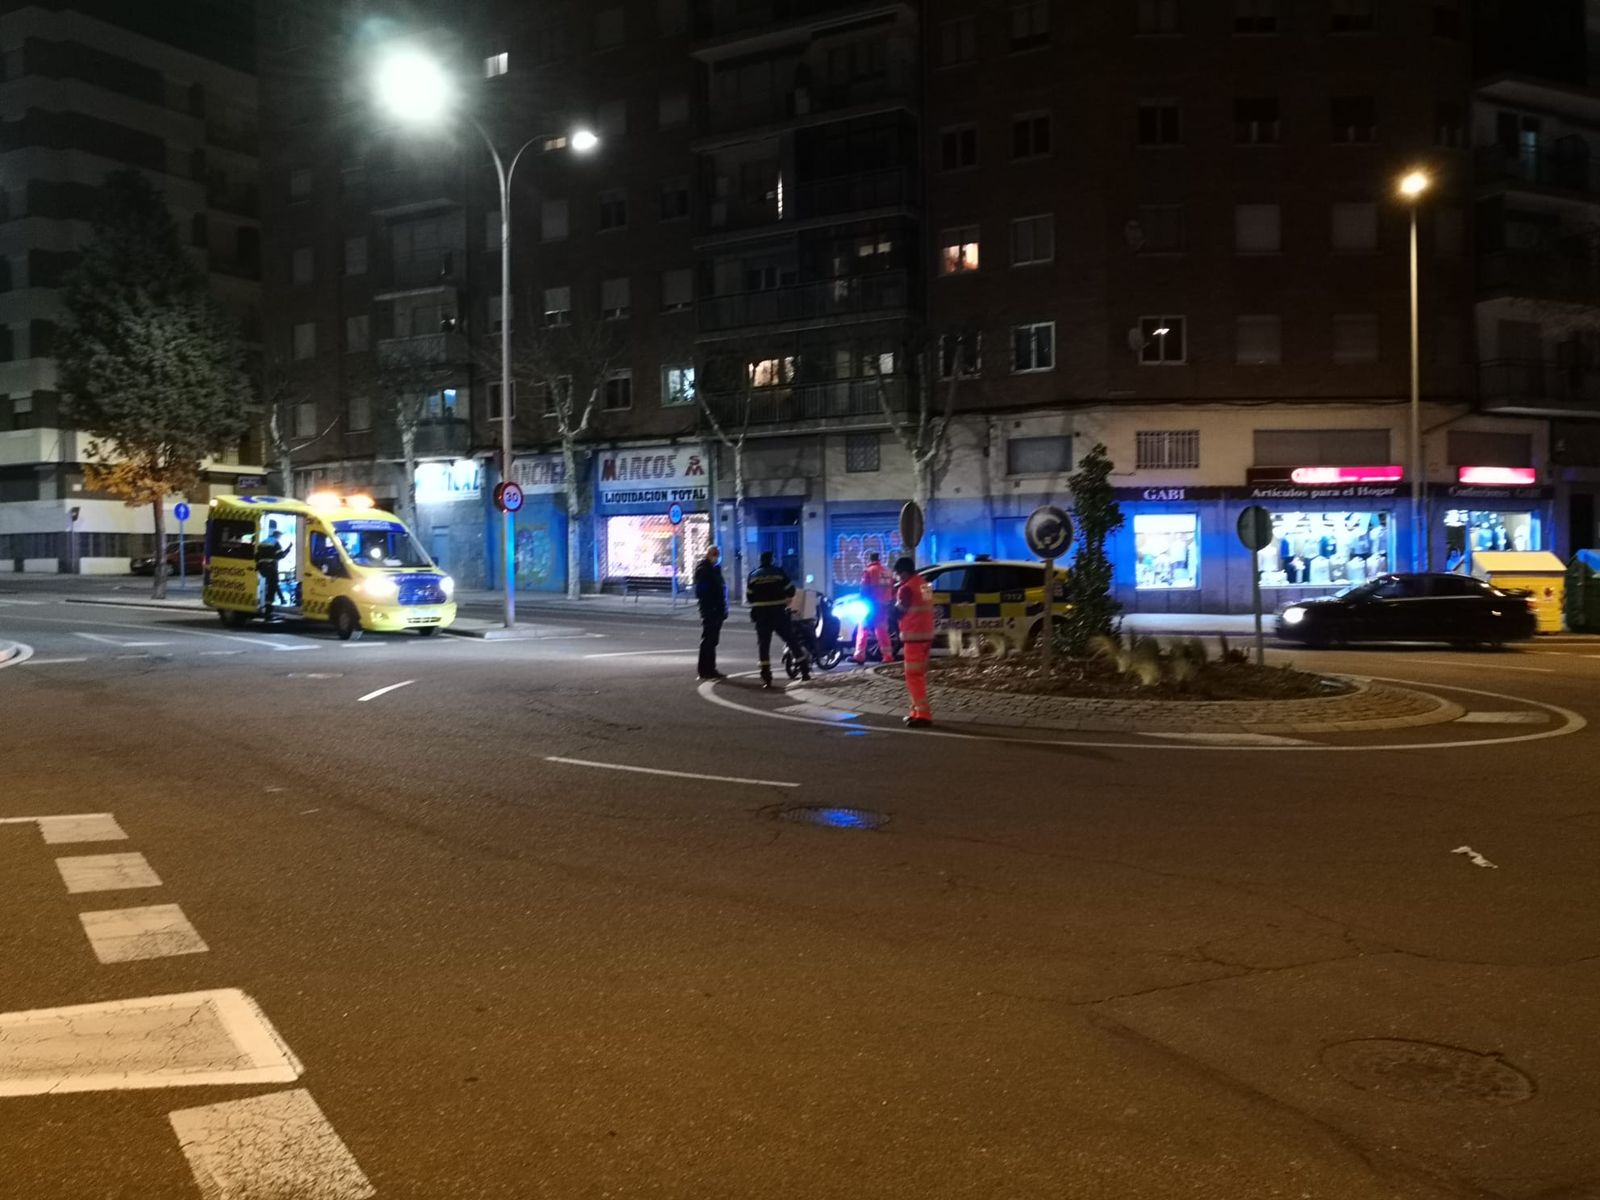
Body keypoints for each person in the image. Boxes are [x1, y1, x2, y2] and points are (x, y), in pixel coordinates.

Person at [747, 550, 808, 688]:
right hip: (778, 612)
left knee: (764, 646)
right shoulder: (779, 573)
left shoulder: (753, 575)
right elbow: (791, 591)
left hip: (761, 614)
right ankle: (804, 671)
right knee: (791, 641)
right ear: (772, 560)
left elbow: (750, 596)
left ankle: (766, 678)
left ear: (760, 560)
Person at [893, 555, 935, 727]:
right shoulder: (924, 584)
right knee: (918, 675)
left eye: (898, 574)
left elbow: (900, 611)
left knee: (913, 676)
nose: (897, 577)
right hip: (926, 635)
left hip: (914, 636)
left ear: (903, 572)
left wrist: (889, 608)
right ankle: (915, 711)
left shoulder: (906, 588)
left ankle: (923, 715)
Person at [851, 551, 897, 663]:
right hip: (884, 605)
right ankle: (887, 656)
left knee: (863, 629)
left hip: (871, 605)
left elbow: (864, 589)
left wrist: (861, 601)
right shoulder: (887, 571)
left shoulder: (869, 571)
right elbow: (893, 587)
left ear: (870, 560)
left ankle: (859, 655)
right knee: (882, 630)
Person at [693, 545, 727, 681]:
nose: (716, 557)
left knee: (713, 641)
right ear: (708, 554)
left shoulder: (714, 569)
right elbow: (701, 591)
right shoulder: (704, 570)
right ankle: (704, 670)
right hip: (709, 610)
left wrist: (723, 609)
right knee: (708, 640)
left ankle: (711, 669)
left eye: (717, 555)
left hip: (717, 610)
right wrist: (711, 605)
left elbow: (720, 590)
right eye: (714, 554)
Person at [255, 528, 291, 620]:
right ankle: (268, 611)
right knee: (272, 588)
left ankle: (281, 599)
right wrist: (289, 549)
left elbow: (256, 556)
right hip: (271, 567)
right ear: (278, 536)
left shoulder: (263, 542)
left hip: (262, 568)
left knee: (273, 584)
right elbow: (280, 556)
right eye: (280, 536)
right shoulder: (275, 543)